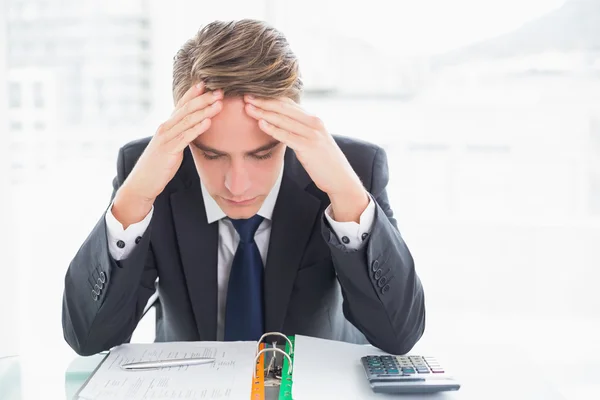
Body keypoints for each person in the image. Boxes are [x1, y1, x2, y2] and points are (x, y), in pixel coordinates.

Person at [62, 19, 425, 356]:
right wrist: (134, 200)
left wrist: (347, 197)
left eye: (262, 154)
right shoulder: (150, 172)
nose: (237, 185)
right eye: (212, 155)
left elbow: (399, 334)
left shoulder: (353, 170)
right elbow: (89, 338)